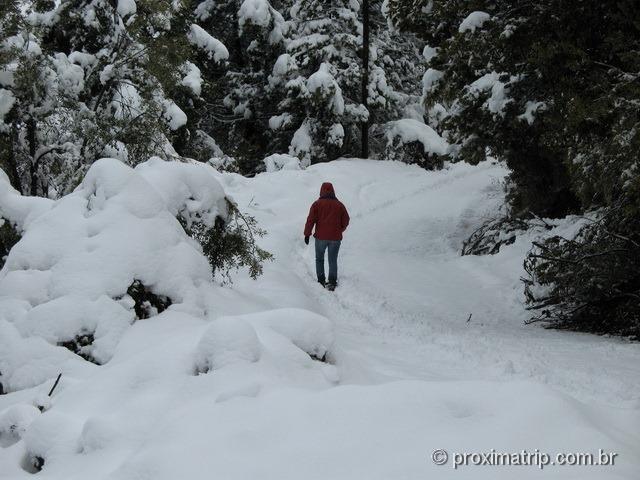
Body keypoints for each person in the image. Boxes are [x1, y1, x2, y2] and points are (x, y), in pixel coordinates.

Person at [304, 182, 350, 290]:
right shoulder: (340, 205)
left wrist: (307, 234)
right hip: (335, 238)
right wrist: (340, 230)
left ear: (321, 191)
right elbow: (346, 220)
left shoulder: (317, 204)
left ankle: (321, 280)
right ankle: (332, 282)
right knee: (332, 259)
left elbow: (310, 220)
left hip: (320, 238)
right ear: (333, 191)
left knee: (319, 259)